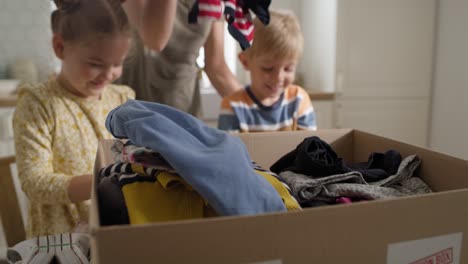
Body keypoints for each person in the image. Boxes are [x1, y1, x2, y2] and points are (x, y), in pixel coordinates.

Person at [13, 0, 135, 237]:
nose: (109, 75)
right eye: (95, 64)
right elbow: (35, 183)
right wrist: (105, 181)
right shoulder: (38, 104)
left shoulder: (122, 99)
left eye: (118, 64)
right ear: (60, 47)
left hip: (111, 236)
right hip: (60, 242)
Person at [118, 0, 243, 117]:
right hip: (134, 109)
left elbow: (217, 67)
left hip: (185, 110)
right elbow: (155, 41)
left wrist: (256, 108)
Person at [217, 10, 317, 132]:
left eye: (288, 69)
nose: (278, 78)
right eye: (268, 69)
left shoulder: (299, 100)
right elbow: (228, 150)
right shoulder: (233, 106)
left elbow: (310, 148)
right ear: (245, 62)